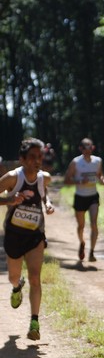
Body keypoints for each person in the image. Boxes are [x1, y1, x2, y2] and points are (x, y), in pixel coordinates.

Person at [0, 138, 55, 340]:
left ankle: (34, 321)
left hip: (34, 235)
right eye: (32, 157)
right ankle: (16, 286)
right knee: (14, 277)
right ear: (22, 159)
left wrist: (48, 204)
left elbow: (43, 193)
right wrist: (9, 200)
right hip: (14, 235)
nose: (37, 161)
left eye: (39, 157)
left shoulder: (44, 178)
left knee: (35, 277)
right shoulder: (12, 178)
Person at [64, 138, 104, 262]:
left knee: (94, 223)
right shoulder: (75, 162)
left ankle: (92, 252)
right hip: (80, 197)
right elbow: (66, 180)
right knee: (81, 226)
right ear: (81, 149)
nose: (88, 150)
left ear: (92, 148)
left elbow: (100, 175)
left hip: (93, 196)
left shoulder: (97, 161)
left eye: (90, 147)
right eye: (85, 147)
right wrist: (79, 181)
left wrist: (103, 181)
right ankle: (82, 243)